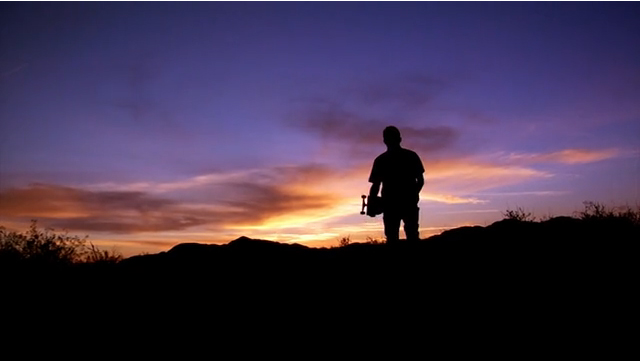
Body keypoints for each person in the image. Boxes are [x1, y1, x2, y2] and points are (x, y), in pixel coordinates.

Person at [368, 126, 425, 243]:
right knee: (411, 235)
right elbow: (420, 181)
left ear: (384, 141)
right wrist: (413, 196)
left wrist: (372, 203)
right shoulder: (411, 156)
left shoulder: (380, 160)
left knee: (393, 238)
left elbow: (375, 186)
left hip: (392, 204)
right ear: (400, 139)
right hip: (401, 204)